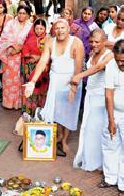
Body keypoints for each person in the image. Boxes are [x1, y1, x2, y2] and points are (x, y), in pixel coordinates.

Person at [24, 19, 85, 155]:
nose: (60, 31)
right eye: (57, 28)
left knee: (68, 112)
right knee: (55, 110)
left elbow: (78, 68)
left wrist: (73, 88)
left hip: (71, 81)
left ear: (68, 28)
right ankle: (56, 136)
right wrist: (32, 82)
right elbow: (42, 62)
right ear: (53, 30)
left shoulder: (76, 43)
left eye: (63, 27)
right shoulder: (50, 42)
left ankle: (64, 140)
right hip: (55, 81)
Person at [72, 29, 113, 171]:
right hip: (90, 95)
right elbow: (91, 66)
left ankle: (99, 163)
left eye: (97, 42)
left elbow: (99, 67)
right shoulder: (92, 54)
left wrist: (79, 76)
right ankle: (89, 160)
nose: (93, 44)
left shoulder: (110, 55)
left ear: (104, 41)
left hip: (101, 98)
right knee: (86, 128)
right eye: (91, 41)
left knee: (95, 129)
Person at [99, 39, 124, 196]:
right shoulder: (111, 66)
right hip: (114, 111)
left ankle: (123, 184)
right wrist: (111, 120)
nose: (120, 63)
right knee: (110, 143)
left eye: (123, 61)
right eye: (118, 60)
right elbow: (108, 93)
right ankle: (110, 178)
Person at [0, 5, 32, 110]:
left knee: (22, 80)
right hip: (10, 56)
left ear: (28, 15)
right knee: (9, 80)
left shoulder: (30, 26)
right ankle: (8, 103)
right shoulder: (10, 24)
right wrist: (12, 48)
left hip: (23, 56)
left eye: (24, 13)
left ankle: (20, 103)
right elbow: (4, 38)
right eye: (19, 13)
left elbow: (32, 41)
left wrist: (21, 48)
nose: (21, 15)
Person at [21, 19, 49, 115]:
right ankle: (29, 112)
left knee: (42, 90)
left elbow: (50, 54)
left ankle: (41, 112)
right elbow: (24, 52)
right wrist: (32, 56)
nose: (39, 31)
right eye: (37, 28)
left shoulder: (48, 40)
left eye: (41, 28)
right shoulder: (30, 39)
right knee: (31, 89)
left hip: (43, 70)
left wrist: (39, 58)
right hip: (31, 68)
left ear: (45, 28)